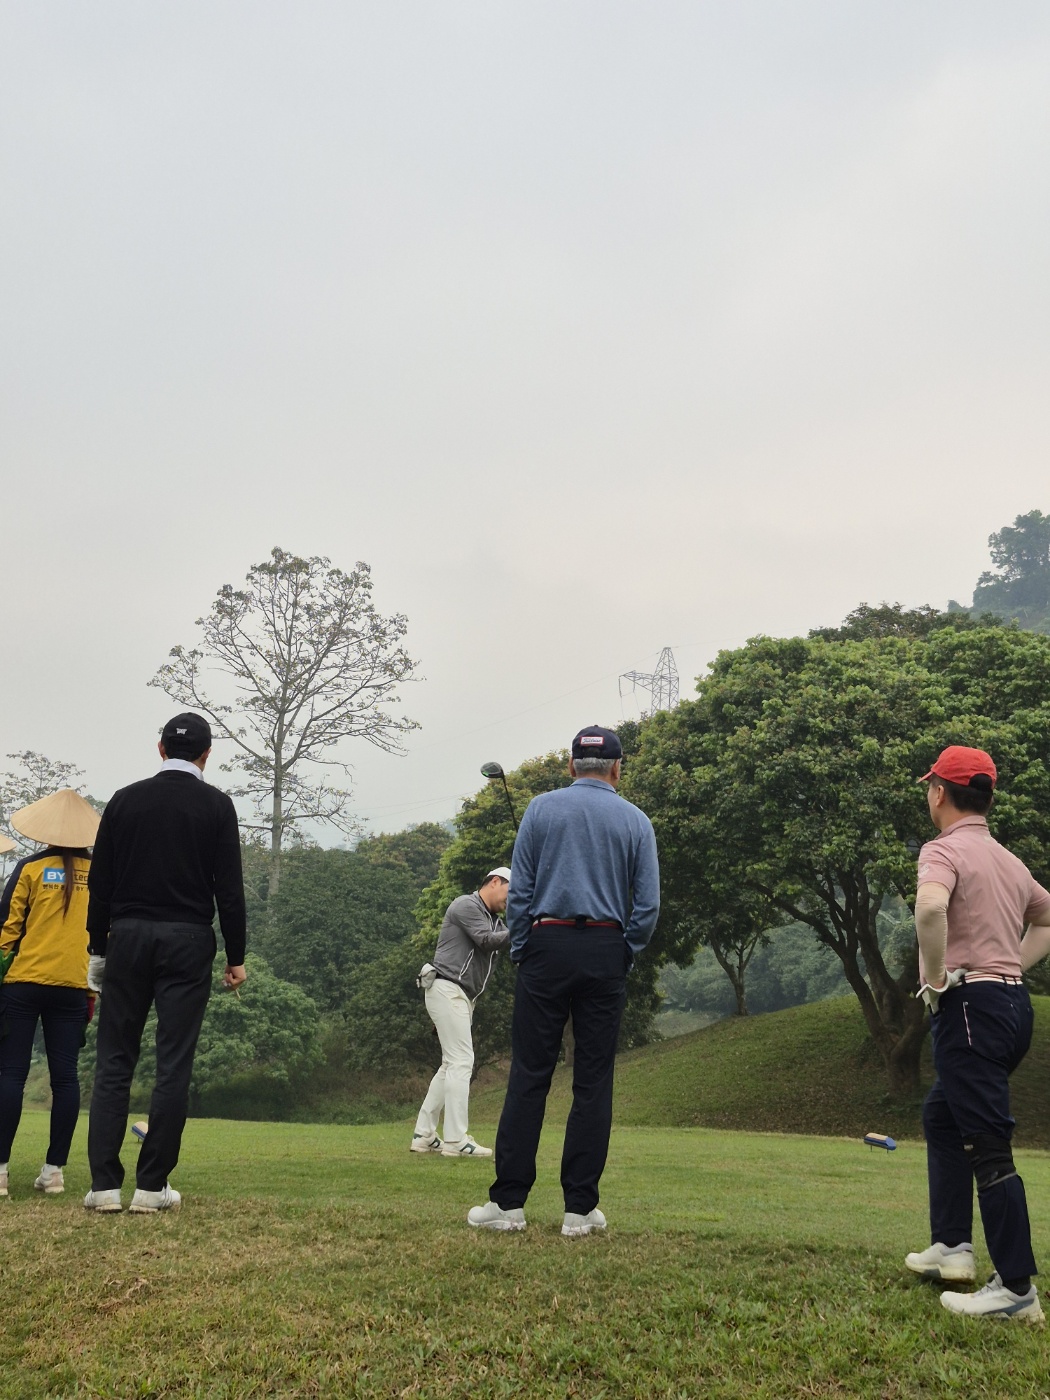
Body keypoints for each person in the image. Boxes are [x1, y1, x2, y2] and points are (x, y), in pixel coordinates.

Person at [468, 725, 659, 1236]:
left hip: (546, 947)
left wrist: (526, 949)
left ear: (572, 766)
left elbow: (522, 889)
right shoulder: (636, 821)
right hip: (605, 948)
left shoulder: (540, 809)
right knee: (593, 1081)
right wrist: (624, 952)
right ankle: (579, 1209)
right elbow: (648, 905)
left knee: (529, 1075)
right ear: (617, 769)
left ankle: (508, 1204)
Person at [905, 745, 1050, 1322]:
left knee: (988, 1144)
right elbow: (1047, 916)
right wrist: (1010, 962)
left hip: (969, 1007)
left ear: (940, 792)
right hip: (1013, 1008)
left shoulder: (942, 851)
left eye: (929, 787)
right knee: (943, 1115)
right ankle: (953, 1248)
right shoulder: (1009, 860)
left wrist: (938, 978)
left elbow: (930, 909)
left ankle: (1016, 1289)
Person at [83, 712, 247, 1214]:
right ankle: (152, 1187)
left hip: (127, 936)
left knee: (114, 1060)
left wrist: (96, 949)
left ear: (160, 749)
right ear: (207, 754)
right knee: (172, 1063)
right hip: (187, 939)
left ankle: (105, 1186)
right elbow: (229, 891)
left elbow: (101, 883)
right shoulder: (218, 805)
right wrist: (236, 957)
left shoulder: (125, 800)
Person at [0, 790, 101, 1199]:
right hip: (74, 986)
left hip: (22, 983)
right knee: (66, 1078)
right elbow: (103, 933)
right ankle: (54, 1171)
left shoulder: (29, 867)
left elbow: (7, 928)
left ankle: (1, 1172)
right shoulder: (100, 873)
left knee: (10, 1074)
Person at [411, 866, 511, 1159]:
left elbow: (510, 942)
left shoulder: (496, 920)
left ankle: (424, 1134)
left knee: (449, 1065)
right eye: (510, 892)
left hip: (459, 997)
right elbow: (487, 940)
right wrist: (524, 927)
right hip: (447, 988)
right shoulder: (466, 905)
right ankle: (455, 1140)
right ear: (495, 882)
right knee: (462, 1061)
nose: (511, 900)